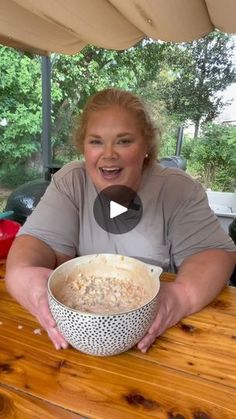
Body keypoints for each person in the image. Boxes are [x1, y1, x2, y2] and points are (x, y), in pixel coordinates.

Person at [5, 88, 236, 353]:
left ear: (146, 146)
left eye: (124, 141)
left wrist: (181, 296)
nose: (109, 154)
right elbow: (37, 243)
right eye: (96, 142)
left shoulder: (177, 189)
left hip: (160, 344)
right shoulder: (72, 182)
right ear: (83, 147)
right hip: (75, 344)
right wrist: (24, 276)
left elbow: (215, 254)